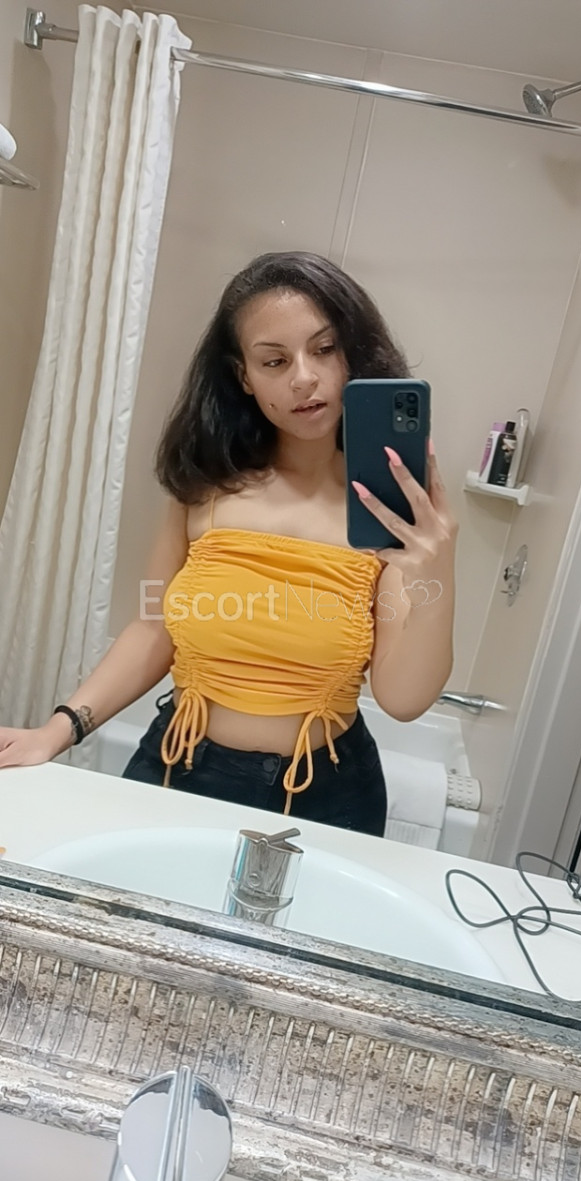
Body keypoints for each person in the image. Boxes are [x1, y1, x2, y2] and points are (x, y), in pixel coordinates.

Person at [0, 251, 458, 836]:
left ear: (352, 355)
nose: (303, 378)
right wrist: (57, 730)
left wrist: (438, 572)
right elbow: (153, 624)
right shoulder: (204, 487)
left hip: (325, 793)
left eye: (324, 349)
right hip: (178, 766)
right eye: (274, 360)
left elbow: (402, 699)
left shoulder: (384, 510)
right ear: (244, 376)